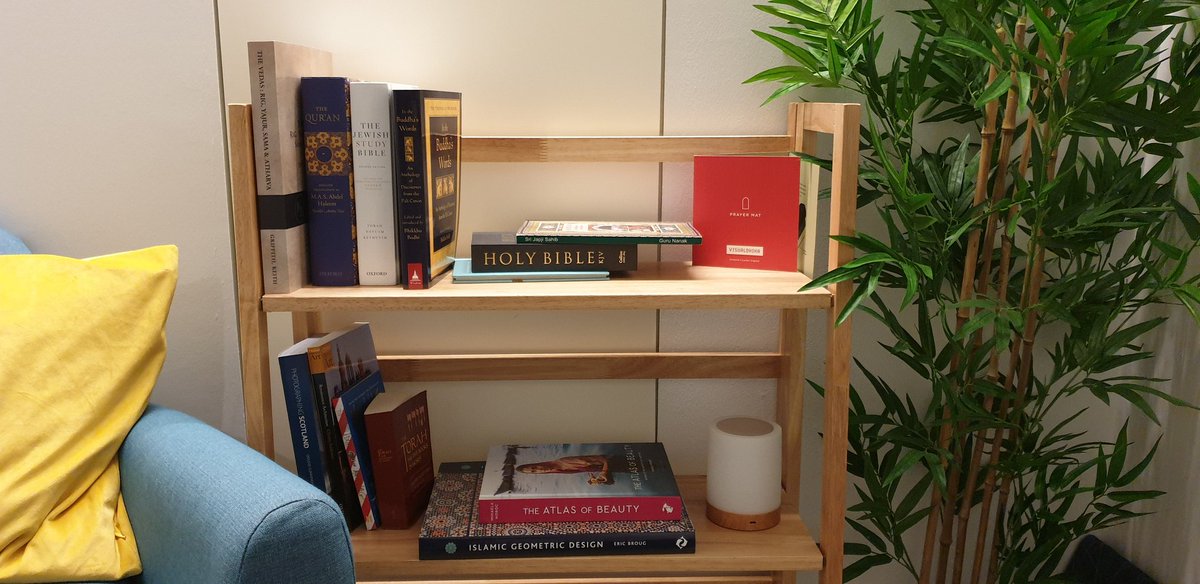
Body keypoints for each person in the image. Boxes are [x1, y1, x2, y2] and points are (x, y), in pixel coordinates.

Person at [516, 454, 624, 485]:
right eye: (534, 471)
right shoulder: (558, 469)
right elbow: (590, 465)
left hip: (621, 462)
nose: (538, 469)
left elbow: (603, 459)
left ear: (536, 463)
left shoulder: (563, 462)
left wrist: (604, 472)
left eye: (534, 467)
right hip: (619, 468)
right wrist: (594, 478)